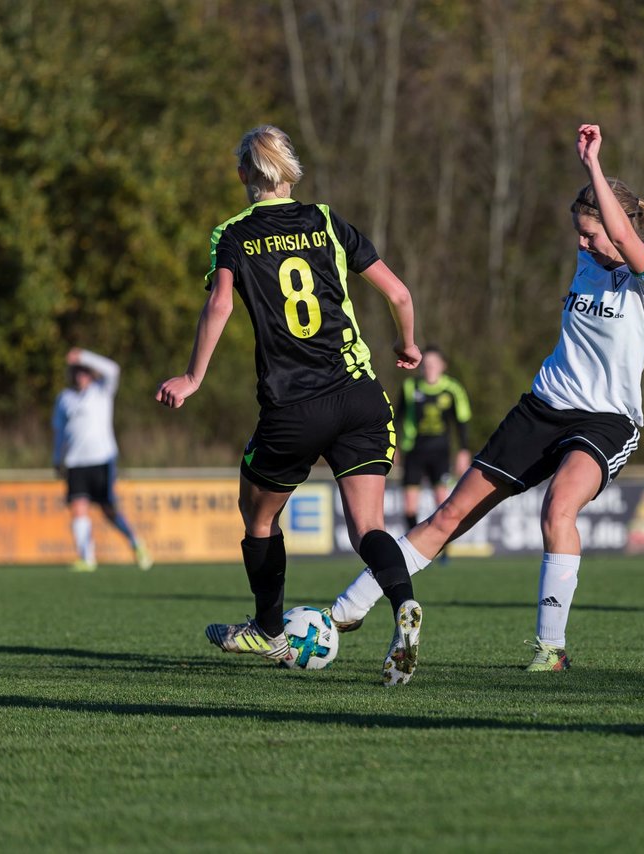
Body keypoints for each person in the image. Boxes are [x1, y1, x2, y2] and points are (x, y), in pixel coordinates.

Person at [331, 123, 644, 672]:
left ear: (620, 227)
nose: (581, 244)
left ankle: (550, 649)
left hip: (608, 420)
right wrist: (592, 204)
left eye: (590, 234)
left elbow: (634, 252)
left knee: (558, 506)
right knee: (449, 515)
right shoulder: (587, 261)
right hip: (542, 406)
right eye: (579, 234)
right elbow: (609, 241)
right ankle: (342, 613)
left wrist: (593, 167)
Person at [156, 125, 425, 685]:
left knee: (257, 515)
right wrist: (408, 344)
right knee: (369, 528)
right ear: (290, 172)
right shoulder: (326, 220)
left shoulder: (233, 235)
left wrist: (192, 376)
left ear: (242, 176)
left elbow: (221, 305)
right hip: (359, 395)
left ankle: (268, 628)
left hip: (294, 406)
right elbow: (399, 294)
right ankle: (403, 605)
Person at [53, 348, 152, 572]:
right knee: (78, 508)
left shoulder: (101, 391)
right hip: (75, 462)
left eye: (84, 371)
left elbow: (113, 369)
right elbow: (59, 432)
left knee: (109, 510)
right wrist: (57, 459)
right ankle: (86, 558)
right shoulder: (64, 399)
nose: (80, 375)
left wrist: (83, 356)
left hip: (101, 459)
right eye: (77, 371)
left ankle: (136, 542)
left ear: (91, 373)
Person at [397, 346, 472, 557]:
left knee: (442, 501)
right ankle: (411, 549)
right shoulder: (410, 387)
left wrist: (463, 451)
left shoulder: (452, 389)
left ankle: (442, 549)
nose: (429, 368)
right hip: (414, 451)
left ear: (442, 366)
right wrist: (393, 446)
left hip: (440, 452)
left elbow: (462, 422)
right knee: (410, 505)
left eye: (433, 364)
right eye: (426, 365)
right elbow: (398, 418)